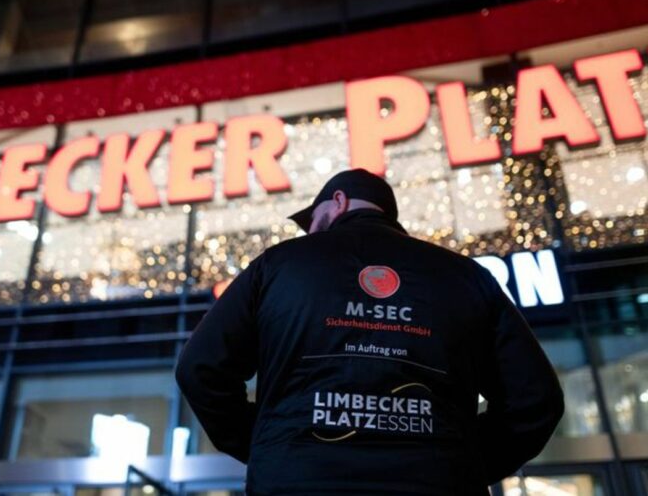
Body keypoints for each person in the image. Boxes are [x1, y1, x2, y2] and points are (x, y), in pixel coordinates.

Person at [175, 168, 564, 495]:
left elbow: (201, 368)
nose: (310, 232)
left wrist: (272, 447)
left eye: (313, 219)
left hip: (300, 482)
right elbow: (536, 401)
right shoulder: (466, 276)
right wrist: (460, 462)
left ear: (339, 201)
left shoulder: (278, 265)